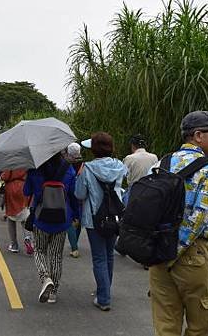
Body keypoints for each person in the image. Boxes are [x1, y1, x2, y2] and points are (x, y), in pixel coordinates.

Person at [149, 110, 208, 336]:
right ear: (198, 135)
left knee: (165, 326)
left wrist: (160, 254)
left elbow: (142, 206)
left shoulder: (161, 163)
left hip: (158, 252)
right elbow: (199, 218)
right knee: (199, 327)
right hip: (191, 256)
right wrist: (174, 253)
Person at [75, 132, 127, 311]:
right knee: (109, 255)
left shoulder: (87, 168)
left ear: (94, 150)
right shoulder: (120, 166)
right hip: (115, 217)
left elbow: (80, 194)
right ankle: (104, 290)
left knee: (99, 258)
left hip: (94, 219)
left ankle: (103, 297)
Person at [24, 153, 77, 304]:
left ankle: (45, 278)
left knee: (39, 250)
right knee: (56, 256)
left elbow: (26, 192)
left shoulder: (35, 169)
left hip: (41, 218)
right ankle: (53, 293)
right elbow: (73, 195)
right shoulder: (69, 169)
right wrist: (75, 215)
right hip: (62, 218)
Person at [1, 169, 34, 254]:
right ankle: (28, 238)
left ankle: (14, 245)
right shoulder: (26, 161)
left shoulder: (10, 162)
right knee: (25, 216)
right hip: (24, 187)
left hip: (11, 189)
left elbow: (4, 177)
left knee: (11, 217)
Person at [62, 142, 84, 258]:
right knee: (78, 218)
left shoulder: (67, 165)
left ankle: (74, 247)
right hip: (81, 194)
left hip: (68, 194)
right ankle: (75, 242)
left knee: (69, 220)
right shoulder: (83, 164)